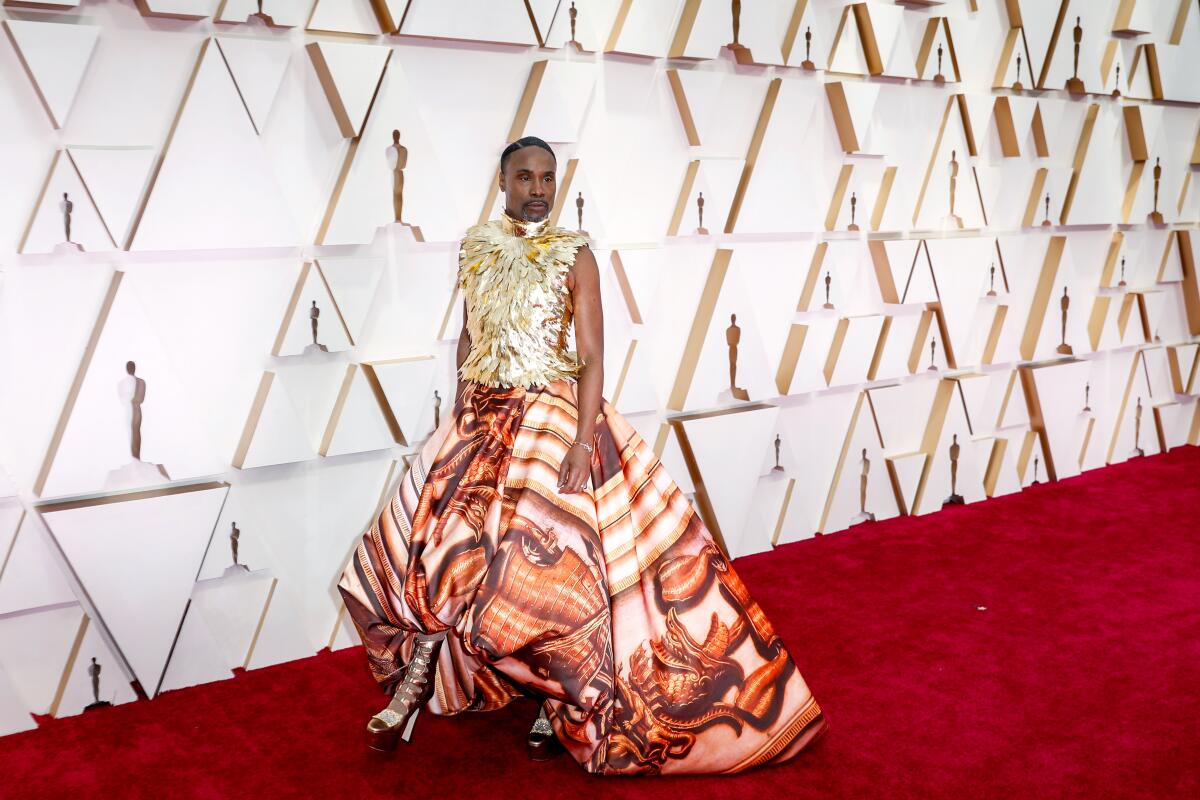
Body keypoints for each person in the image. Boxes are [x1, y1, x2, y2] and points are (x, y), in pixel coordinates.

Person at [336, 136, 827, 776]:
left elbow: (592, 353)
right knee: (432, 547)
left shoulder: (577, 255)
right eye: (524, 177)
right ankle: (415, 682)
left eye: (547, 178)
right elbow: (467, 335)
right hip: (481, 414)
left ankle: (555, 694)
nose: (537, 189)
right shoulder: (477, 248)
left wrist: (581, 434)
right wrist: (459, 410)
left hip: (550, 414)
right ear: (503, 181)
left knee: (541, 570)